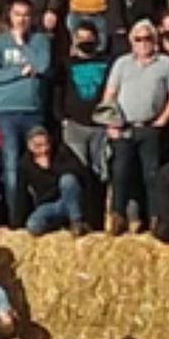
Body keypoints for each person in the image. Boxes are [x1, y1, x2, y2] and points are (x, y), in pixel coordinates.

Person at [103, 19, 169, 233]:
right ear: (131, 42)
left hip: (150, 127)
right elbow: (110, 95)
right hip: (124, 127)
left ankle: (155, 218)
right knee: (120, 172)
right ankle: (118, 216)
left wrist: (163, 120)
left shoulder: (166, 64)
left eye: (147, 39)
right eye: (138, 39)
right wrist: (110, 122)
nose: (143, 43)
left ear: (155, 40)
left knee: (152, 174)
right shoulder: (121, 63)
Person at [0, 0, 53, 226]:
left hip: (33, 110)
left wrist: (22, 44)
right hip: (6, 112)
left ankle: (41, 217)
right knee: (11, 166)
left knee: (39, 163)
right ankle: (15, 220)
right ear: (9, 16)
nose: (21, 19)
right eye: (17, 14)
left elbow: (42, 65)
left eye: (25, 15)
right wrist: (19, 72)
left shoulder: (40, 40)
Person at [61, 19, 112, 208]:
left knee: (101, 172)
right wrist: (62, 118)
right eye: (80, 38)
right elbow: (58, 90)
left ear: (97, 39)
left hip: (100, 126)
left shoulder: (107, 62)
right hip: (75, 125)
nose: (85, 41)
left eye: (89, 38)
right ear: (74, 40)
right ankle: (79, 213)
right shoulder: (67, 63)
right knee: (76, 172)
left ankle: (98, 213)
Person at [18, 125, 85, 236]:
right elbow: (21, 193)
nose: (43, 150)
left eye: (46, 144)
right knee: (33, 226)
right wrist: (18, 222)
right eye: (38, 146)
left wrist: (51, 167)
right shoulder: (25, 163)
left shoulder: (61, 151)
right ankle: (57, 225)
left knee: (68, 180)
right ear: (30, 146)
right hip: (48, 205)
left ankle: (76, 222)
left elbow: (79, 171)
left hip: (68, 201)